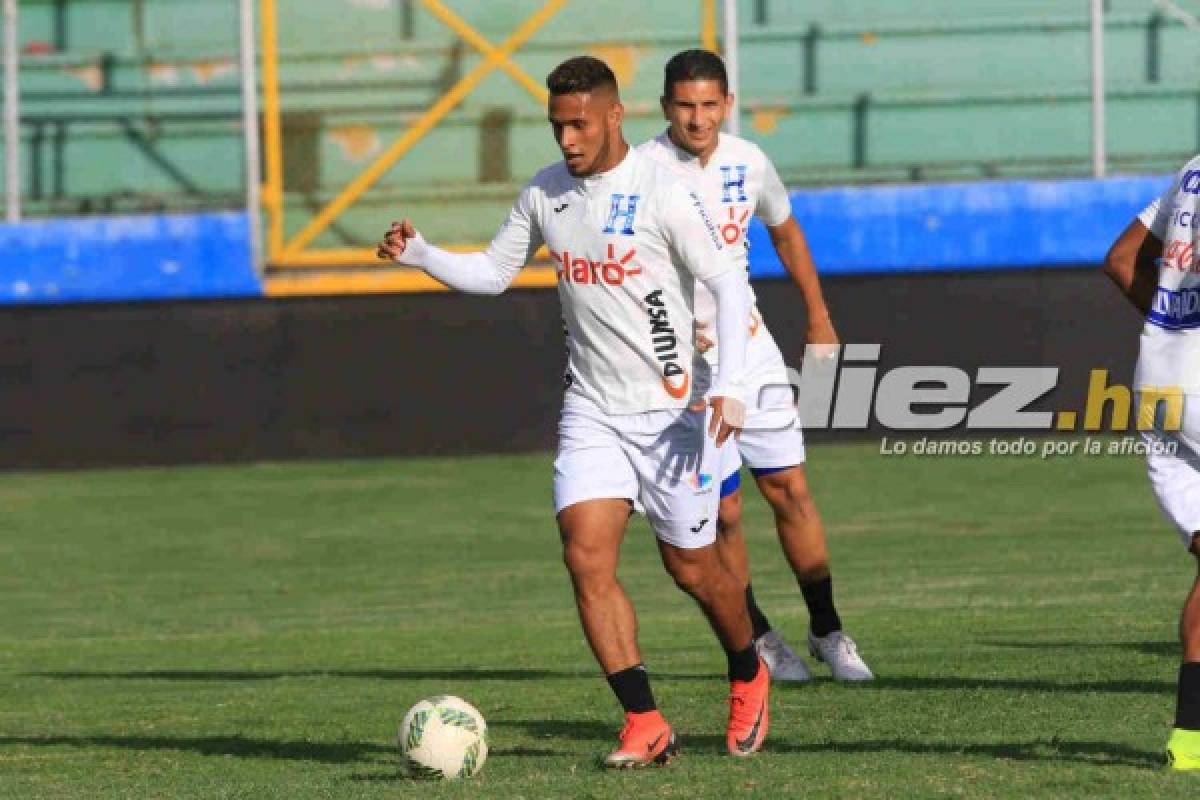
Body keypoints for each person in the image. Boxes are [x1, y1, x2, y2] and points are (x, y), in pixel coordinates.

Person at [377, 56, 771, 766]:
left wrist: (732, 385)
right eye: (557, 125)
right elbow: (495, 273)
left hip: (674, 413)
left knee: (694, 570)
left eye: (579, 123)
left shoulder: (663, 191)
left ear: (615, 116)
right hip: (592, 408)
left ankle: (748, 669)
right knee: (586, 556)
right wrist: (424, 253)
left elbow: (727, 282)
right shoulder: (545, 193)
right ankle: (644, 720)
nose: (566, 139)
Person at [638, 49, 873, 683]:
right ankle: (759, 636)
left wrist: (819, 317)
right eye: (685, 106)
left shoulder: (749, 160)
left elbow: (787, 231)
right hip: (685, 369)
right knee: (725, 514)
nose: (698, 118)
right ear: (666, 108)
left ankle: (828, 630)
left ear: (727, 105)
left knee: (791, 489)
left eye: (709, 105)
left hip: (753, 350)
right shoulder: (641, 171)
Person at [1103, 157, 1200, 770]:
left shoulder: (1192, 169)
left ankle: (1189, 739)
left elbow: (1120, 259)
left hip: (1159, 386)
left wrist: (1175, 331)